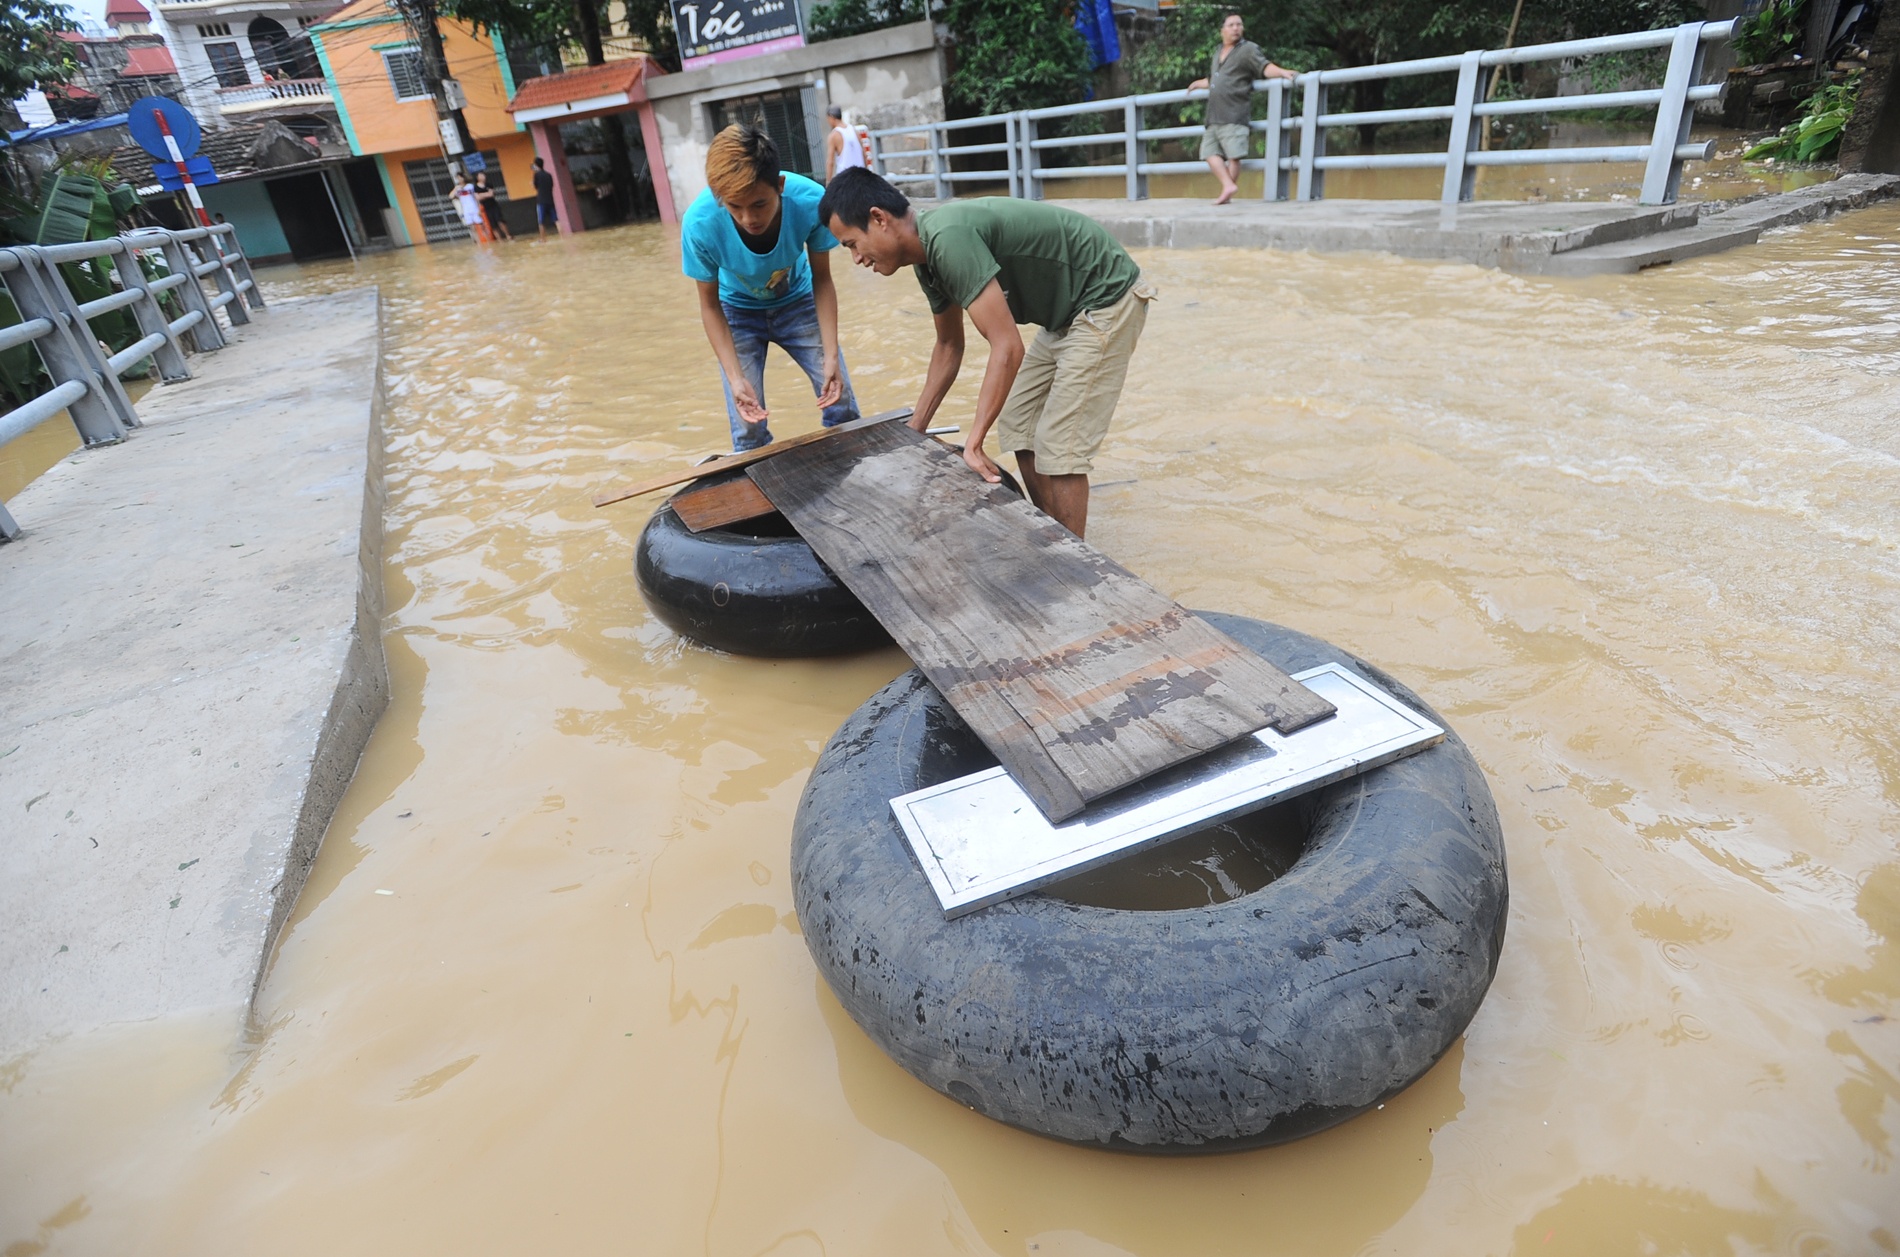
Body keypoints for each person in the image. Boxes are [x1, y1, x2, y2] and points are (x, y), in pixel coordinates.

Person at [817, 167, 1154, 540]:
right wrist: (915, 430)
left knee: (1060, 443)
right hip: (1066, 315)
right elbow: (949, 346)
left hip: (1106, 297)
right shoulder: (928, 262)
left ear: (878, 219)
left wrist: (974, 442)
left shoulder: (948, 239)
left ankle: (1076, 563)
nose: (856, 259)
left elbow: (1007, 347)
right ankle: (1053, 536)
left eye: (851, 244)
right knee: (1019, 424)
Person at [683, 124, 858, 452]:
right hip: (736, 313)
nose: (749, 218)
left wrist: (831, 354)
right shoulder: (700, 224)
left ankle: (852, 471)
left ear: (779, 186)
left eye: (760, 204)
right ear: (720, 197)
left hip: (798, 302)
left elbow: (823, 279)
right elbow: (709, 306)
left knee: (842, 400)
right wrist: (735, 378)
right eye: (735, 206)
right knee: (747, 425)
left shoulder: (810, 203)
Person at [1188, 12, 1297, 205]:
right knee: (1208, 152)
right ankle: (1228, 185)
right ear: (1222, 30)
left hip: (1234, 111)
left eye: (1239, 24)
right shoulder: (1218, 51)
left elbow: (1264, 67)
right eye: (1231, 25)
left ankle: (1227, 191)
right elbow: (1217, 78)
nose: (1236, 28)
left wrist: (1281, 72)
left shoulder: (1247, 50)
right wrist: (1200, 83)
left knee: (1233, 156)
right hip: (1214, 114)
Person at [824, 103, 865, 181]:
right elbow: (864, 154)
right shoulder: (854, 130)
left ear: (831, 117)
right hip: (861, 176)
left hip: (846, 179)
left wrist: (828, 183)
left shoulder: (834, 135)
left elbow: (830, 162)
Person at [473, 170, 512, 241]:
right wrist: (486, 194)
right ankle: (499, 239)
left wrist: (482, 194)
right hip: (486, 207)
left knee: (500, 220)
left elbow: (491, 194)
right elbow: (478, 197)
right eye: (481, 175)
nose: (483, 177)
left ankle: (508, 235)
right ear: (477, 177)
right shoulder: (475, 187)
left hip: (494, 205)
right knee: (493, 224)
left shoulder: (489, 185)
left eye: (483, 175)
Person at [451, 172, 490, 242]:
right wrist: (455, 188)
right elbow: (451, 196)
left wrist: (479, 209)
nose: (459, 179)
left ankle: (488, 240)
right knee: (472, 227)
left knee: (481, 225)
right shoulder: (457, 189)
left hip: (474, 208)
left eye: (460, 177)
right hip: (466, 210)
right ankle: (478, 242)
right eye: (458, 178)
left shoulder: (470, 186)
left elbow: (476, 197)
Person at [532, 157, 557, 238]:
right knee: (556, 220)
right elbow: (552, 185)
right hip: (550, 199)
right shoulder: (548, 175)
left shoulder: (536, 175)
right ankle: (563, 236)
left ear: (536, 165)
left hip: (541, 200)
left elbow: (535, 186)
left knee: (541, 221)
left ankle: (543, 239)